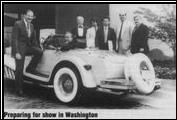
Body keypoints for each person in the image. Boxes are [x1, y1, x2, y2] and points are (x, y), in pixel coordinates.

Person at [11, 9, 43, 96]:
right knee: (19, 69)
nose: (30, 17)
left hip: (27, 48)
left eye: (31, 16)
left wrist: (39, 48)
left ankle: (30, 68)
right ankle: (18, 90)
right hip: (20, 49)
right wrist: (16, 52)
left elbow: (33, 40)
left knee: (39, 52)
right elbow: (14, 39)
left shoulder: (32, 26)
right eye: (28, 15)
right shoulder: (17, 24)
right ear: (24, 15)